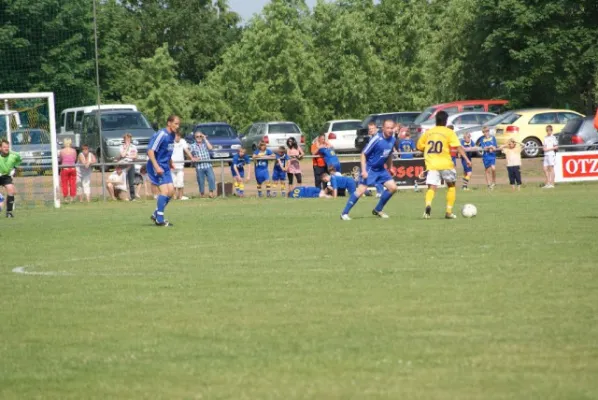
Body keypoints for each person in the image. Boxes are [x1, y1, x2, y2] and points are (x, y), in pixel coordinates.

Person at [417, 111, 472, 219]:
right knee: (451, 186)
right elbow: (457, 147)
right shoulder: (449, 132)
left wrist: (427, 148)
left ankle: (428, 205)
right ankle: (448, 212)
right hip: (446, 164)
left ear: (436, 120)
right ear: (446, 121)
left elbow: (419, 146)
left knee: (431, 188)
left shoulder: (429, 132)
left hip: (432, 164)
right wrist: (467, 159)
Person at [340, 120, 398, 220]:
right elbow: (363, 154)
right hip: (370, 168)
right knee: (360, 191)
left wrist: (390, 167)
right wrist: (363, 170)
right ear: (383, 128)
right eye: (387, 128)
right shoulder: (377, 139)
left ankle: (378, 209)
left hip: (381, 169)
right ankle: (344, 213)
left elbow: (389, 154)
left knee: (393, 188)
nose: (390, 130)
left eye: (391, 128)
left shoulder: (392, 139)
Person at [147, 115, 179, 227]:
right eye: (175, 123)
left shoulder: (172, 135)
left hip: (165, 166)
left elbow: (167, 151)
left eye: (178, 124)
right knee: (164, 191)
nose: (177, 126)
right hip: (156, 165)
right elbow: (150, 151)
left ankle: (156, 213)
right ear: (169, 123)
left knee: (171, 191)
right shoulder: (161, 134)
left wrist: (170, 162)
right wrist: (156, 167)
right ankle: (159, 219)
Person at [190, 131, 216, 198]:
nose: (199, 138)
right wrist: (193, 157)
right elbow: (189, 153)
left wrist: (205, 139)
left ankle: (211, 193)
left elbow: (210, 148)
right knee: (201, 181)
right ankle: (202, 194)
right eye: (197, 136)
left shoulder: (205, 144)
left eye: (200, 136)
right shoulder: (192, 145)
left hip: (208, 165)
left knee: (211, 178)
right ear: (195, 138)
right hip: (199, 166)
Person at [0, 139, 22, 217]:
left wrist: (15, 168)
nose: (6, 149)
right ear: (0, 148)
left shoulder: (15, 155)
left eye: (7, 147)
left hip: (6, 176)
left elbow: (19, 160)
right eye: (4, 147)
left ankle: (9, 212)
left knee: (11, 190)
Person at [171, 131, 194, 200]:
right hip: (172, 166)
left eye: (179, 136)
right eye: (176, 136)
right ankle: (174, 197)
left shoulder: (182, 141)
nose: (177, 137)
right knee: (173, 183)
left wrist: (191, 157)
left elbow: (186, 150)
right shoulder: (170, 142)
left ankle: (181, 196)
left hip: (180, 166)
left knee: (180, 182)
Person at [119, 133, 138, 201]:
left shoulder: (133, 147)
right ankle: (124, 197)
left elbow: (135, 156)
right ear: (124, 139)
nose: (128, 140)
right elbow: (123, 155)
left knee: (131, 181)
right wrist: (127, 147)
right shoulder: (121, 147)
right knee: (124, 182)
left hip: (131, 164)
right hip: (124, 164)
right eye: (126, 138)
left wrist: (128, 156)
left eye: (129, 138)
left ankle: (133, 197)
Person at [59, 137, 78, 203]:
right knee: (73, 184)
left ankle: (65, 198)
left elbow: (61, 159)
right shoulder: (74, 150)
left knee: (64, 184)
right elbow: (75, 159)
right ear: (70, 143)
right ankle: (72, 198)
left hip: (65, 168)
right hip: (73, 168)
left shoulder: (62, 151)